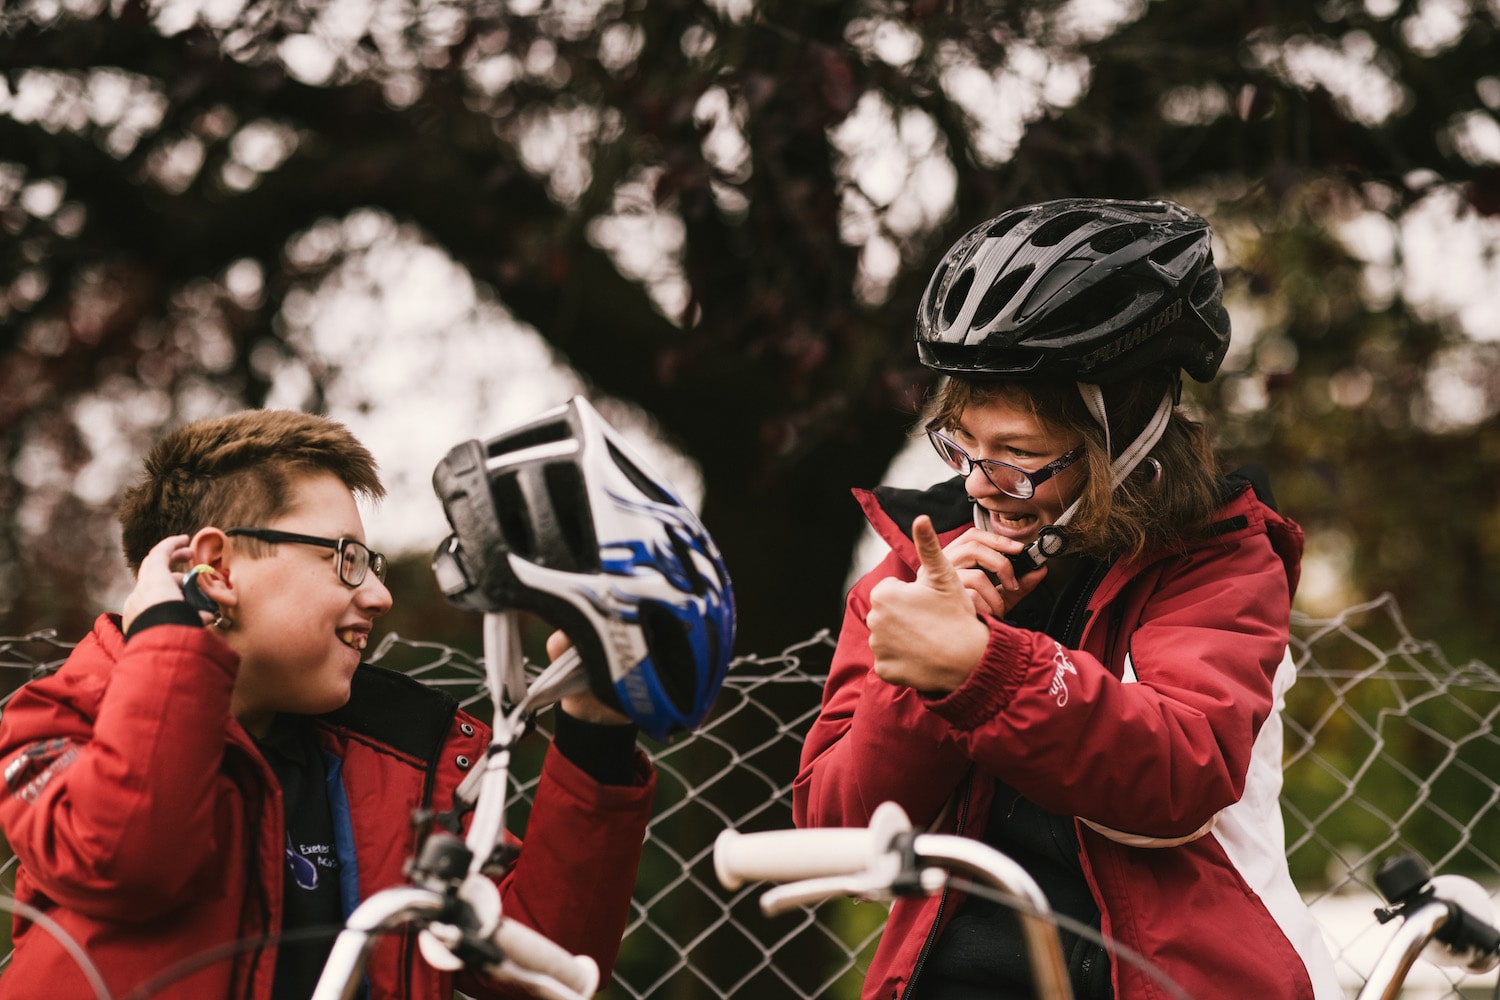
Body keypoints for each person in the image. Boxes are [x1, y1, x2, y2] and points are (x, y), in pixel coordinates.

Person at [793, 198, 1341, 999]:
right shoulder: (918, 569)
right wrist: (921, 683)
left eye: (1019, 456)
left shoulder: (1217, 562)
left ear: (1123, 437)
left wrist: (986, 670)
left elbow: (1182, 773)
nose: (981, 482)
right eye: (962, 445)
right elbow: (839, 829)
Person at [0, 409, 657, 999]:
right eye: (347, 559)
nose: (378, 595)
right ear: (216, 571)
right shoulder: (55, 723)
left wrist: (598, 729)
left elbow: (549, 962)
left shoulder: (396, 766)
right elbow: (132, 858)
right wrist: (170, 635)